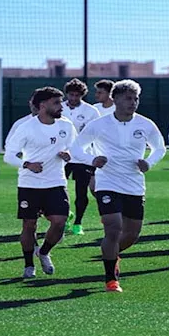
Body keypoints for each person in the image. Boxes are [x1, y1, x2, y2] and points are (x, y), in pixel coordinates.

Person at [71, 80, 165, 292]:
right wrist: (92, 160)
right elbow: (76, 148)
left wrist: (148, 163)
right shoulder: (99, 124)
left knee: (132, 234)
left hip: (134, 184)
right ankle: (110, 279)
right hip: (107, 182)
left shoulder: (145, 124)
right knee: (113, 228)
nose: (133, 102)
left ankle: (112, 255)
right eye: (128, 98)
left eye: (136, 99)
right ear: (115, 100)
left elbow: (159, 148)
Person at [4, 87, 77, 278]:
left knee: (60, 222)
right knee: (29, 225)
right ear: (43, 105)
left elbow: (75, 148)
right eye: (56, 103)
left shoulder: (66, 125)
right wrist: (27, 164)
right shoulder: (26, 127)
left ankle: (44, 252)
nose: (61, 106)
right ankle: (29, 265)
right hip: (30, 184)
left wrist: (68, 154)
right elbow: (9, 155)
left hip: (56, 182)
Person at [61, 78, 101, 235]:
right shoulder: (59, 108)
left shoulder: (91, 111)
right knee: (58, 190)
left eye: (77, 95)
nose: (73, 98)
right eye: (71, 95)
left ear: (82, 95)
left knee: (81, 192)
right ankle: (65, 216)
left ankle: (78, 223)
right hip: (61, 156)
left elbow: (97, 134)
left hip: (83, 157)